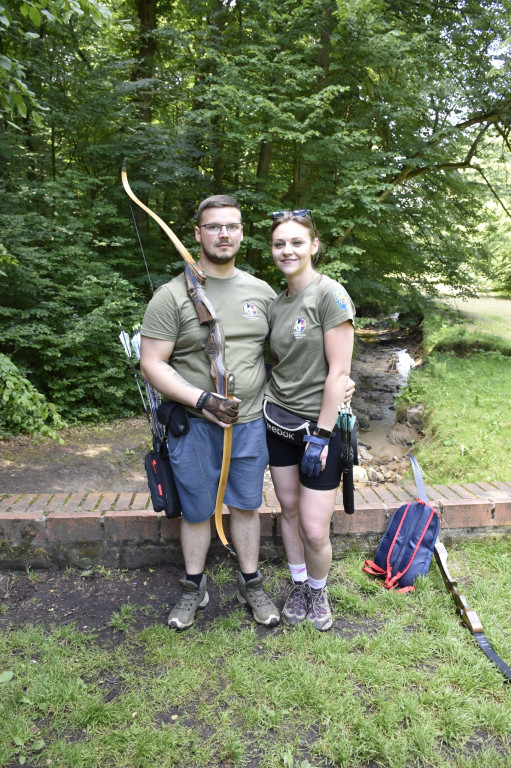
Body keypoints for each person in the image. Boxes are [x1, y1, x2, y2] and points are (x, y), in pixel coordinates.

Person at [140, 195, 280, 630]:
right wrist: (201, 399)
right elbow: (152, 363)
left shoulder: (262, 292)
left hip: (252, 422)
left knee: (246, 505)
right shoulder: (171, 295)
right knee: (198, 510)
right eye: (215, 226)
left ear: (242, 233)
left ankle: (250, 583)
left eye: (232, 226)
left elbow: (283, 355)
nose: (224, 234)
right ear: (198, 233)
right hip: (195, 426)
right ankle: (192, 588)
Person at [264, 209, 355, 631]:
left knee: (315, 527)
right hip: (278, 424)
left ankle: (318, 590)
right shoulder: (276, 303)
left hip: (319, 430)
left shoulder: (330, 295)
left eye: (297, 242)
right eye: (280, 243)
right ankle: (297, 584)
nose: (288, 250)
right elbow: (273, 363)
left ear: (314, 245)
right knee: (287, 510)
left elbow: (339, 373)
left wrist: (321, 434)